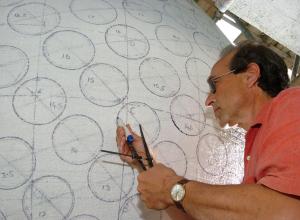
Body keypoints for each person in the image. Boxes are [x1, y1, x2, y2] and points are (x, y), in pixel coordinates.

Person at [116, 41, 300, 220]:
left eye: (214, 86)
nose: (208, 101)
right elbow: (203, 211)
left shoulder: (292, 103)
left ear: (250, 75)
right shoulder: (256, 145)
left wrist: (170, 188)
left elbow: (286, 212)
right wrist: (147, 162)